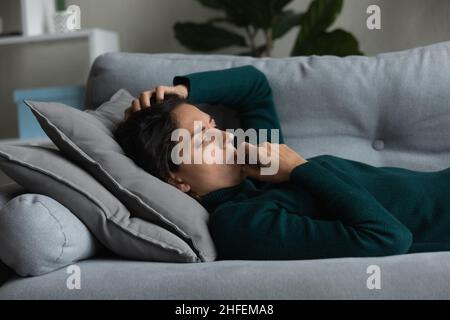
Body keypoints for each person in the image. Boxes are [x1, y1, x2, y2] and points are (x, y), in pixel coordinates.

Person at [114, 65, 450, 260]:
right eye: (204, 140)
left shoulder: (259, 162)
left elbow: (254, 86)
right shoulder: (240, 220)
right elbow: (390, 238)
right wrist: (300, 169)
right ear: (177, 180)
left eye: (213, 126)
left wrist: (182, 92)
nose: (226, 137)